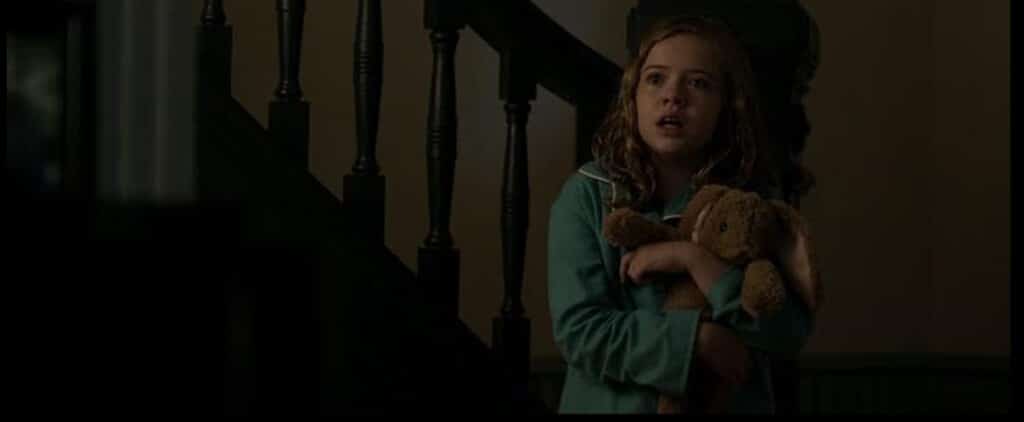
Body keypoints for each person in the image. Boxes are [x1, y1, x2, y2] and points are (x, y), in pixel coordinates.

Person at [547, 15, 815, 414]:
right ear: (633, 96)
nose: (673, 96)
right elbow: (581, 331)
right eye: (655, 79)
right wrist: (697, 341)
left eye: (698, 83)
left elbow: (787, 332)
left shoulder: (751, 205)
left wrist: (694, 260)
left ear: (727, 105)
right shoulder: (586, 195)